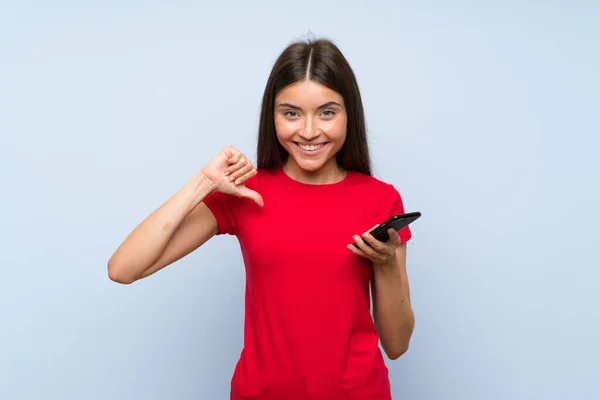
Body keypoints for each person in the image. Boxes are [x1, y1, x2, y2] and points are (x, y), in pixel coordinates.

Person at [108, 37, 416, 400]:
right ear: (272, 117)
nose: (309, 131)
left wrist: (386, 265)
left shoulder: (381, 199)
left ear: (350, 114)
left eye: (327, 112)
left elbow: (396, 344)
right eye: (291, 113)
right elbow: (123, 269)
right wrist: (203, 183)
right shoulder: (246, 193)